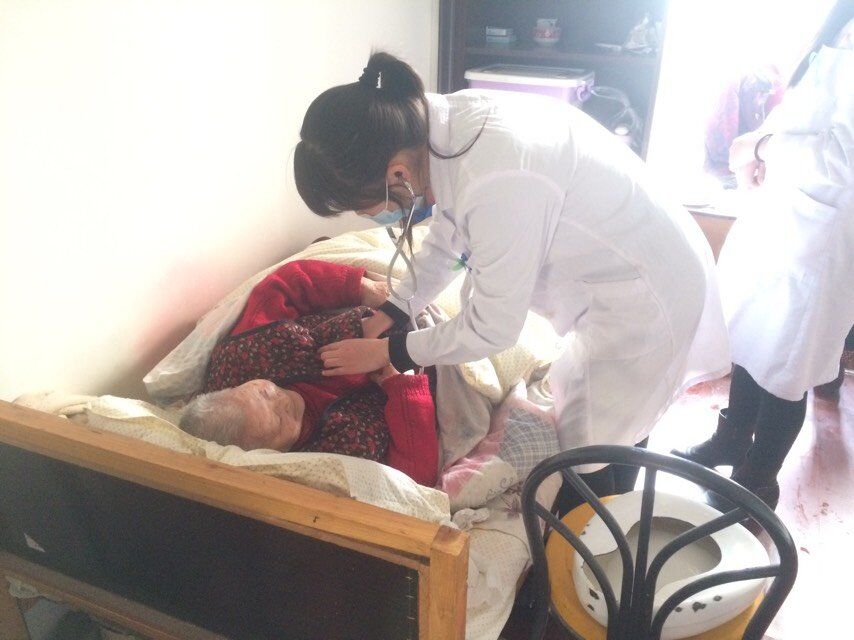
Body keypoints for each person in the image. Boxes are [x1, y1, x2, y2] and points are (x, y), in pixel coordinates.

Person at [292, 52, 730, 511]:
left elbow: (492, 328)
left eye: (366, 208)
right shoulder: (438, 131)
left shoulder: (496, 175)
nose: (372, 217)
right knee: (604, 422)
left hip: (645, 292)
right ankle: (605, 510)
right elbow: (447, 236)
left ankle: (594, 533)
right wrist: (395, 308)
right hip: (629, 262)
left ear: (396, 174)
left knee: (593, 447)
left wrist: (390, 352)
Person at [674, 2, 854, 508]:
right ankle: (732, 440)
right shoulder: (841, 24)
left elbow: (843, 160)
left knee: (787, 366)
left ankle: (758, 481)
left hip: (822, 231)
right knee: (752, 336)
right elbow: (803, 109)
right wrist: (757, 144)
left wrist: (761, 148)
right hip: (785, 212)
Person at [179, 259, 439, 487]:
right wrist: (401, 386)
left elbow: (286, 284)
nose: (283, 401)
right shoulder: (329, 461)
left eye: (265, 392)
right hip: (428, 367)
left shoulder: (241, 360)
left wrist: (362, 289)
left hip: (388, 308)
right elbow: (416, 479)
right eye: (279, 421)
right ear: (269, 456)